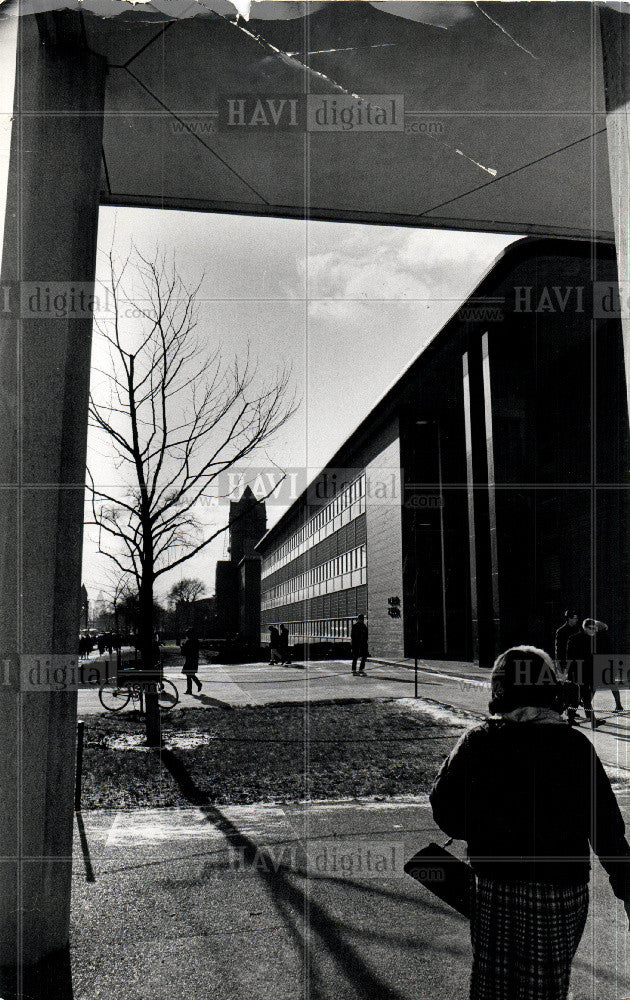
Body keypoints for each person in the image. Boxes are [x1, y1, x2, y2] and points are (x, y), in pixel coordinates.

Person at [430, 645, 630, 1000]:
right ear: (550, 689)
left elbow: (444, 809)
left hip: (494, 882)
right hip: (560, 887)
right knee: (546, 986)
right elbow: (606, 828)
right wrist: (627, 886)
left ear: (498, 690)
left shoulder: (477, 742)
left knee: (492, 983)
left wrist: (482, 828)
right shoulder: (573, 746)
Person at [555, 611, 582, 723]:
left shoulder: (577, 630)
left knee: (576, 687)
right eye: (575, 618)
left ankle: (570, 710)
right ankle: (565, 711)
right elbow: (558, 649)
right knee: (569, 688)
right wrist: (560, 665)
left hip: (576, 662)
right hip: (566, 663)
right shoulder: (561, 631)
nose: (576, 620)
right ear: (569, 619)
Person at [180, 629, 202, 694]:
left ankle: (194, 687)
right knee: (190, 674)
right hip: (194, 660)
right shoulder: (196, 641)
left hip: (189, 660)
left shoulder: (188, 642)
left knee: (189, 674)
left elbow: (184, 652)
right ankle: (191, 688)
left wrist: (183, 647)